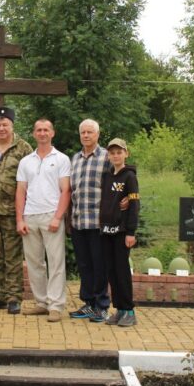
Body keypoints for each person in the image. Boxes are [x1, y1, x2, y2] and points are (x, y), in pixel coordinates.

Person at [16, 119, 71, 322]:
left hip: (51, 215)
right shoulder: (26, 161)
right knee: (34, 263)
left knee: (56, 262)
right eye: (38, 130)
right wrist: (19, 219)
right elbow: (20, 191)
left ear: (52, 133)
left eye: (46, 130)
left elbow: (66, 190)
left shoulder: (62, 159)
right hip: (30, 216)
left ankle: (55, 305)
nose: (42, 133)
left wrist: (58, 217)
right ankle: (41, 303)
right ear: (34, 134)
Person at [0, 107, 33, 315]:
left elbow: (30, 180)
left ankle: (13, 297)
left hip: (12, 211)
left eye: (5, 125)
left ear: (12, 126)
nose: (1, 128)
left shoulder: (23, 148)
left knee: (12, 257)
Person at [68, 119, 111, 323]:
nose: (86, 135)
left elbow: (116, 184)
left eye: (90, 132)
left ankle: (102, 306)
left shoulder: (106, 157)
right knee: (84, 265)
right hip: (78, 221)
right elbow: (72, 190)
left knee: (99, 265)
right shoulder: (75, 159)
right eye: (83, 132)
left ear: (97, 135)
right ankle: (88, 303)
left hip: (98, 222)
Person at [99, 138, 140, 327]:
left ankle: (129, 311)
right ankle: (119, 309)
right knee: (112, 271)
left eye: (119, 152)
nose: (116, 156)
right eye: (112, 153)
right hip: (107, 230)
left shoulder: (129, 177)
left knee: (122, 271)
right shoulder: (106, 176)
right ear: (108, 155)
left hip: (122, 232)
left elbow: (134, 204)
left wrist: (131, 231)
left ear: (126, 154)